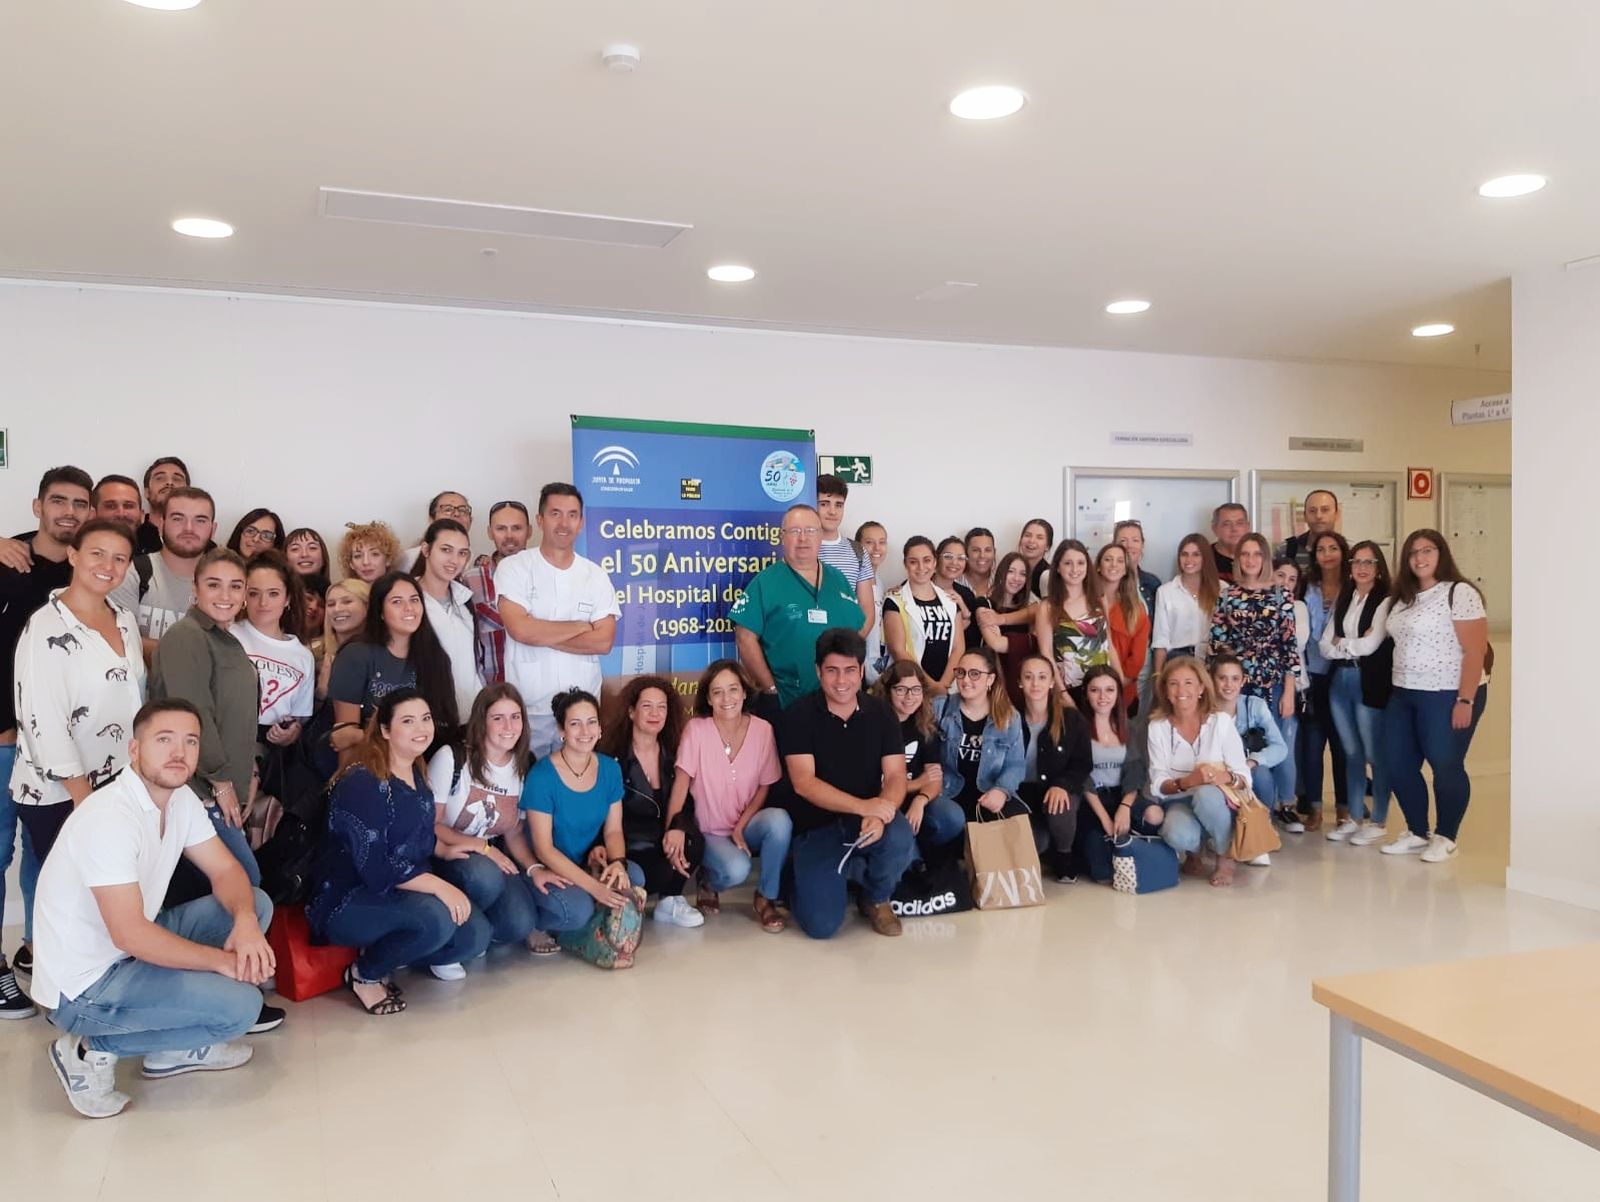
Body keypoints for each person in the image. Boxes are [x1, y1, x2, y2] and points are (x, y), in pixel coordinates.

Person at [35, 699, 274, 1118]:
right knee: (240, 1008)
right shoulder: (110, 817)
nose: (179, 752)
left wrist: (246, 923)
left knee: (254, 903)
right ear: (134, 750)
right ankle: (88, 1050)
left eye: (190, 741)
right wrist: (219, 963)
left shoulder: (179, 801)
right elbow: (128, 934)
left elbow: (225, 870)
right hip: (86, 986)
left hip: (129, 949)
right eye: (164, 740)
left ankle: (171, 1051)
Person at [8, 519, 145, 1012]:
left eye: (119, 558)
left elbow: (133, 701)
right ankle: (67, 1005)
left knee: (108, 898)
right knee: (73, 901)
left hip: (116, 784)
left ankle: (110, 994)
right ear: (73, 555)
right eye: (97, 554)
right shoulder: (45, 627)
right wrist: (85, 803)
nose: (107, 567)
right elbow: (41, 720)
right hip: (60, 793)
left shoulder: (124, 620)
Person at [308, 689, 491, 1013]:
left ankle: (388, 951)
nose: (421, 728)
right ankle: (364, 975)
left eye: (425, 719)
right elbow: (375, 867)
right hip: (350, 898)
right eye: (408, 721)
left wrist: (446, 851)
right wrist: (440, 886)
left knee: (474, 935)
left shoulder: (415, 772)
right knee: (437, 919)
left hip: (398, 889)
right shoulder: (363, 781)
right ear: (386, 731)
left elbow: (417, 839)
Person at [0, 465, 91, 1010]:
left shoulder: (87, 578)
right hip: (4, 739)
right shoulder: (8, 562)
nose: (69, 513)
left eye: (80, 504)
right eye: (59, 501)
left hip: (59, 750)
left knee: (47, 856)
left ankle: (38, 948)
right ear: (37, 507)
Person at [781, 628, 914, 939]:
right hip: (817, 828)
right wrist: (864, 806)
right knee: (822, 927)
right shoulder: (799, 715)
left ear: (862, 670)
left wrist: (882, 811)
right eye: (832, 671)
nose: (841, 681)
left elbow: (896, 776)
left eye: (850, 671)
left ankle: (876, 898)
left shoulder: (880, 712)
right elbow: (803, 783)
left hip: (867, 822)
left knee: (900, 836)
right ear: (818, 671)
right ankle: (800, 877)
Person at [148, 548, 264, 897]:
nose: (225, 596)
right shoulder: (187, 635)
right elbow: (192, 713)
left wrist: (249, 775)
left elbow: (237, 715)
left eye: (235, 586)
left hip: (223, 788)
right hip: (199, 791)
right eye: (214, 585)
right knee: (245, 886)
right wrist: (222, 782)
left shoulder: (226, 641)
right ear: (195, 589)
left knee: (231, 889)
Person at [1378, 530, 1489, 863]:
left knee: (1445, 764)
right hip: (1404, 691)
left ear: (1441, 554)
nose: (1419, 558)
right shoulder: (1403, 597)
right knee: (1397, 762)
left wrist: (1465, 700)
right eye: (1413, 553)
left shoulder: (1460, 592)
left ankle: (1446, 836)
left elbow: (1475, 650)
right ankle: (1416, 831)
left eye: (1427, 551)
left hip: (1447, 693)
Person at [495, 484, 619, 757]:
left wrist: (541, 631)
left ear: (581, 522)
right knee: (530, 791)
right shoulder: (514, 567)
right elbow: (520, 629)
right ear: (539, 520)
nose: (564, 523)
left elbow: (603, 641)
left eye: (572, 515)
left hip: (581, 716)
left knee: (578, 788)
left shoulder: (595, 575)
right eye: (555, 514)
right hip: (529, 711)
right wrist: (578, 626)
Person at [425, 683, 544, 965]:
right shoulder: (452, 757)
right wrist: (483, 847)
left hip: (489, 855)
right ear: (482, 721)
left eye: (515, 717)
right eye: (498, 718)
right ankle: (454, 935)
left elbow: (514, 830)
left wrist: (534, 867)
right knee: (484, 877)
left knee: (521, 923)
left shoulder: (525, 763)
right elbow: (431, 825)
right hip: (446, 854)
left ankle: (476, 932)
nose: (508, 726)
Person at [670, 661, 789, 929]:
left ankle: (766, 897)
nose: (727, 699)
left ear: (745, 693)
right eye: (718, 692)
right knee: (737, 869)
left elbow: (764, 785)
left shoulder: (762, 730)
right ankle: (708, 880)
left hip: (745, 826)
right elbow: (680, 784)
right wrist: (673, 828)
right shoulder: (696, 730)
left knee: (780, 821)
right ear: (709, 698)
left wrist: (741, 827)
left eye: (733, 689)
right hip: (709, 831)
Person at [519, 688, 635, 938]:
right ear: (562, 731)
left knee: (632, 876)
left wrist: (617, 863)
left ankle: (584, 911)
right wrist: (595, 888)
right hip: (544, 866)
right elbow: (544, 849)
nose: (585, 732)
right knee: (578, 910)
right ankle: (537, 925)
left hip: (583, 862)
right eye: (575, 724)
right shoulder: (542, 776)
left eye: (591, 722)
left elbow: (613, 829)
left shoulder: (609, 768)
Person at [731, 503, 865, 717]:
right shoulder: (765, 583)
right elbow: (744, 637)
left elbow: (857, 630)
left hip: (837, 702)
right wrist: (770, 689)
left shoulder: (838, 580)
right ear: (782, 537)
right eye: (794, 531)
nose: (803, 538)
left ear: (820, 536)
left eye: (810, 530)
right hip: (786, 702)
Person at [599, 675, 705, 929]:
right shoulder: (612, 758)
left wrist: (677, 827)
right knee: (649, 873)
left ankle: (671, 902)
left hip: (663, 841)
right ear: (632, 712)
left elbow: (688, 801)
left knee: (693, 843)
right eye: (647, 706)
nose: (655, 713)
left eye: (662, 707)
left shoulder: (675, 751)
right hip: (629, 846)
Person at [327, 571, 461, 762]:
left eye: (414, 600)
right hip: (368, 766)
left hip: (420, 766)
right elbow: (344, 739)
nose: (409, 608)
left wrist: (363, 735)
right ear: (380, 611)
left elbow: (443, 726)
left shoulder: (435, 658)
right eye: (397, 602)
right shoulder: (355, 655)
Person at [1146, 656, 1249, 887]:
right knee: (1176, 833)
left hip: (1219, 803)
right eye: (1173, 683)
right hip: (1179, 800)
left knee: (1205, 794)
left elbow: (1244, 776)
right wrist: (1187, 781)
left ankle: (1226, 856)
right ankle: (1195, 852)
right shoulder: (1157, 727)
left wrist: (1227, 776)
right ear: (1165, 690)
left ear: (1202, 687)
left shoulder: (1220, 722)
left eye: (1189, 682)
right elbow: (1158, 781)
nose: (1181, 690)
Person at [1320, 540, 1394, 846]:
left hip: (1369, 680)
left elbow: (1371, 644)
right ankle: (1353, 817)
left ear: (1378, 569)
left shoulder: (1386, 600)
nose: (1362, 568)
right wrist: (1348, 643)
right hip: (1341, 682)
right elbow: (1324, 646)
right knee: (1351, 753)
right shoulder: (1345, 597)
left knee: (1374, 754)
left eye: (1369, 562)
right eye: (1357, 562)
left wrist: (1343, 643)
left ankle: (1378, 820)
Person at [109, 485, 218, 658]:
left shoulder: (226, 584)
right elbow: (116, 639)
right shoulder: (132, 572)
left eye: (200, 520)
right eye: (178, 518)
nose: (189, 528)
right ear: (161, 525)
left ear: (213, 529)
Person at [1014, 653, 1093, 881]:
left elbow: (1083, 763)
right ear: (1020, 682)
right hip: (1023, 794)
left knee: (1060, 805)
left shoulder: (1072, 719)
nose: (1035, 683)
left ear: (1051, 682)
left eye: (1041, 677)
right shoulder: (1011, 719)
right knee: (1037, 844)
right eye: (1028, 677)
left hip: (1057, 790)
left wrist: (1062, 785)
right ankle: (1046, 845)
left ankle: (1064, 856)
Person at [1208, 532, 1296, 725]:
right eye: (1245, 554)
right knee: (1235, 748)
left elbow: (1289, 647)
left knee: (1269, 749)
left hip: (1272, 684)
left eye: (1257, 554)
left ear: (1265, 558)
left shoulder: (1282, 595)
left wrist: (1289, 692)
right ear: (1238, 558)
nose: (1250, 560)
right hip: (1234, 685)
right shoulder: (1227, 595)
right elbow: (1216, 645)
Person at [233, 552, 315, 757]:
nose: (263, 603)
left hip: (271, 754)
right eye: (253, 593)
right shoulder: (229, 634)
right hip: (229, 739)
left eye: (273, 593)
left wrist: (293, 732)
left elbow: (299, 717)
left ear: (287, 598)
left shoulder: (303, 656)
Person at [1296, 531, 1352, 832]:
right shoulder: (1307, 585)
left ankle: (1343, 808)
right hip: (1312, 673)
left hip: (1343, 672)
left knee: (1341, 744)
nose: (1327, 554)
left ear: (1343, 552)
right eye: (1321, 549)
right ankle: (1315, 809)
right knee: (1312, 743)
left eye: (1333, 548)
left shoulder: (1354, 585)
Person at [1210, 653, 1287, 866]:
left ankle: (1259, 830)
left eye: (1235, 679)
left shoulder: (1255, 706)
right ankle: (1219, 835)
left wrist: (1253, 760)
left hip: (1244, 776)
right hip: (1216, 777)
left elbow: (1281, 748)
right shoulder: (1202, 709)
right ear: (1211, 679)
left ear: (1243, 681)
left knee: (1261, 774)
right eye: (1222, 678)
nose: (1228, 685)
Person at [875, 660, 957, 860]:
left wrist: (921, 799)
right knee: (905, 857)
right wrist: (919, 782)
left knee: (951, 817)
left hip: (914, 801)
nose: (909, 697)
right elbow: (880, 786)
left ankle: (921, 850)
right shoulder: (873, 724)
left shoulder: (925, 724)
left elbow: (935, 779)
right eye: (901, 689)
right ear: (888, 691)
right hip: (883, 802)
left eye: (916, 689)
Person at [1077, 663, 1159, 850]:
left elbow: (1136, 771)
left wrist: (1125, 807)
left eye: (1109, 690)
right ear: (1086, 693)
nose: (1103, 697)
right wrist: (1105, 819)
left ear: (1118, 693)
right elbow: (1083, 778)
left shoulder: (1129, 727)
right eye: (1095, 690)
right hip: (1093, 799)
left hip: (1122, 795)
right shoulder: (1078, 729)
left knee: (1155, 814)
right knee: (1103, 873)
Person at [411, 518, 482, 725]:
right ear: (426, 549)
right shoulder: (409, 600)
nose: (454, 560)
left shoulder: (465, 599)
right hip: (427, 720)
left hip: (471, 717)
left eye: (462, 553)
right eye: (446, 550)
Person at [1034, 538, 1121, 707]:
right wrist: (1063, 694)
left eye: (1080, 563)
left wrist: (1119, 680)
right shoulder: (1047, 607)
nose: (1075, 569)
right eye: (1068, 563)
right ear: (1058, 567)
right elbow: (1046, 655)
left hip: (1102, 688)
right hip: (1069, 689)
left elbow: (1108, 644)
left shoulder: (1099, 600)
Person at [461, 500, 531, 687]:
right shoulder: (470, 581)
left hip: (539, 692)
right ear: (490, 532)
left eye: (517, 528)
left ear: (529, 531)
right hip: (491, 692)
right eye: (501, 528)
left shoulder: (547, 576)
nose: (509, 536)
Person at [882, 536, 964, 695]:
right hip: (910, 688)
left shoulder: (950, 601)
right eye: (913, 561)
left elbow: (958, 648)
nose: (921, 567)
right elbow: (898, 650)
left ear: (934, 562)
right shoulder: (894, 601)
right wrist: (930, 685)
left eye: (926, 560)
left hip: (946, 688)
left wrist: (943, 685)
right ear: (905, 564)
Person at [1270, 557, 1309, 829]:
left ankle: (1287, 802)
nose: (1285, 582)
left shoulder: (1299, 608)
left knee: (1285, 744)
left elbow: (1296, 643)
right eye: (1280, 575)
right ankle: (1261, 804)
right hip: (1259, 684)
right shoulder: (1256, 601)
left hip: (1288, 685)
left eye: (1292, 579)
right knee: (1259, 745)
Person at [815, 474, 876, 638]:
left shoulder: (858, 551)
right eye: (824, 504)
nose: (832, 511)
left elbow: (867, 610)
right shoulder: (803, 548)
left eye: (839, 505)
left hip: (847, 646)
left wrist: (850, 649)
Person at [973, 550, 1036, 708]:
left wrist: (1006, 637)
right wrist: (1027, 641)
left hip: (1023, 680)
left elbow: (1036, 643)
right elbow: (995, 644)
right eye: (1011, 571)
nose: (1017, 578)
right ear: (1001, 573)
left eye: (1022, 574)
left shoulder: (1030, 610)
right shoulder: (984, 604)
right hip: (994, 679)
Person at [1151, 532, 1221, 673]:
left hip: (1212, 662)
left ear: (1205, 558)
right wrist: (1158, 677)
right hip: (1177, 662)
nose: (1189, 559)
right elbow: (1161, 640)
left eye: (1196, 554)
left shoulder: (1222, 589)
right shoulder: (1165, 591)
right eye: (1184, 554)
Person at [1097, 542, 1150, 712]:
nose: (1114, 565)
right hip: (1086, 688)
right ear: (1098, 566)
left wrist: (1113, 686)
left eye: (1120, 561)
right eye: (1108, 559)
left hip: (1122, 692)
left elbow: (1137, 660)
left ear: (1126, 568)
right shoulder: (1085, 602)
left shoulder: (1136, 610)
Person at [314, 578, 369, 700]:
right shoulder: (312, 653)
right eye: (331, 604)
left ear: (367, 606)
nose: (337, 609)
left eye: (347, 601)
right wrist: (321, 692)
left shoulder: (382, 652)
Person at [401, 492, 474, 574]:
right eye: (448, 509)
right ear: (431, 519)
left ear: (471, 521)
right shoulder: (408, 559)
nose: (456, 514)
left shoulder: (479, 561)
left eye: (462, 510)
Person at [854, 520, 891, 683]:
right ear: (858, 547)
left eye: (882, 542)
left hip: (877, 667)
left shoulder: (881, 582)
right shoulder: (852, 580)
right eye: (869, 542)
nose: (877, 548)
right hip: (856, 662)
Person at [136, 456, 190, 556]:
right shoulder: (131, 540)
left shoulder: (201, 542)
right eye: (160, 478)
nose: (169, 483)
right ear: (147, 492)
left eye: (177, 479)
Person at [1279, 489, 1341, 572]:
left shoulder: (1351, 551)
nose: (1318, 516)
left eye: (1325, 510)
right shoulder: (1285, 550)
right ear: (1305, 516)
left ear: (1336, 514)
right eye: (1312, 511)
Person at [1114, 520, 1162, 619]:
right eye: (1123, 540)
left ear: (1142, 545)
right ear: (1114, 545)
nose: (1129, 545)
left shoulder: (1152, 583)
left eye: (1135, 540)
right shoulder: (1102, 584)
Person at [337, 520, 402, 585]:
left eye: (375, 554)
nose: (366, 562)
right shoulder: (341, 593)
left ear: (388, 559)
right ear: (351, 564)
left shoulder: (402, 591)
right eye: (358, 556)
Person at [1210, 503, 1250, 583]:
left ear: (1248, 527)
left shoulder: (1258, 557)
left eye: (1239, 523)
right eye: (1227, 524)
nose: (1234, 529)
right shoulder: (1203, 558)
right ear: (1215, 529)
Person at [1018, 518, 1054, 599]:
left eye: (1039, 537)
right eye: (1027, 535)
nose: (1031, 541)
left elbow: (1047, 609)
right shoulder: (1013, 569)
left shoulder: (1048, 576)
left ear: (1047, 546)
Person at [964, 527, 997, 598]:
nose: (982, 555)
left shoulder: (1003, 580)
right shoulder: (954, 581)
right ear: (966, 553)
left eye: (988, 550)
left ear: (994, 553)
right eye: (976, 550)